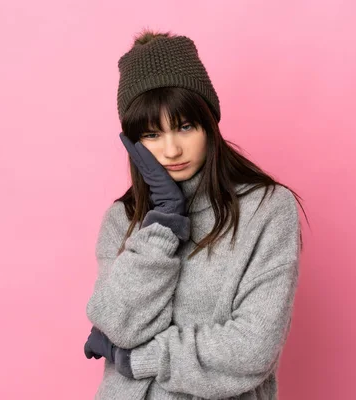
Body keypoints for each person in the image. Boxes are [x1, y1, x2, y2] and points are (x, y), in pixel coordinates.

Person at [84, 29, 308, 399]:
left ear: (210, 124)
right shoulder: (123, 219)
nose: (171, 149)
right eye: (152, 135)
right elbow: (120, 326)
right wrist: (164, 223)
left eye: (185, 127)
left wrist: (141, 359)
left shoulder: (266, 208)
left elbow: (253, 348)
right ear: (133, 143)